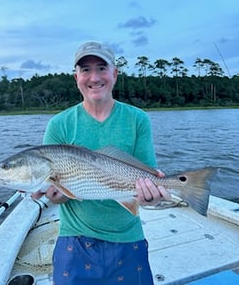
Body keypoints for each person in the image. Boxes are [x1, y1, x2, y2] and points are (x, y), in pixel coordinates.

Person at [33, 41, 170, 285]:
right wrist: (57, 195)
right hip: (75, 237)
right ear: (76, 76)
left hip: (128, 236)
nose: (94, 77)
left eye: (101, 68)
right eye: (85, 70)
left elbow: (147, 180)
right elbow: (56, 194)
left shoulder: (138, 119)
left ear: (115, 74)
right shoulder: (59, 124)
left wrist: (152, 196)